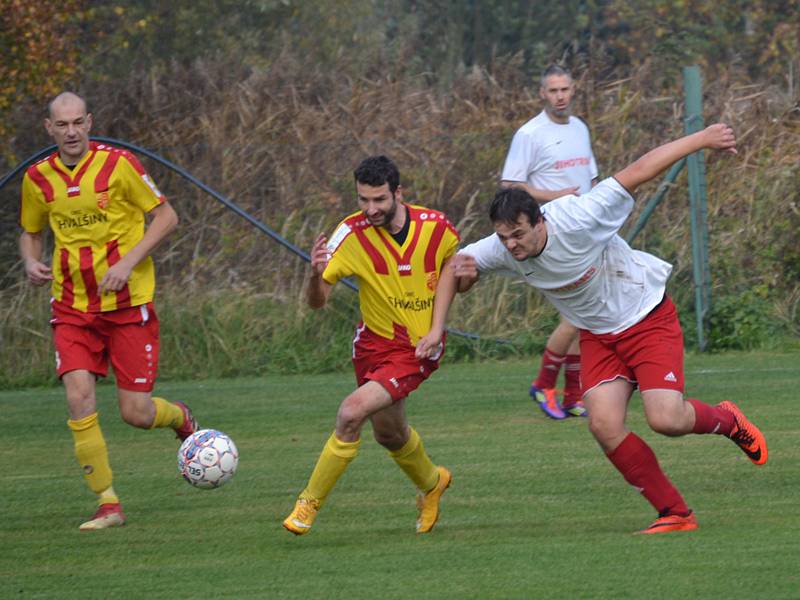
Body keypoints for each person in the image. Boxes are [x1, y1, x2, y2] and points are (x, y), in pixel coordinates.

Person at [417, 123, 769, 534]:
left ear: (540, 221)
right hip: (599, 337)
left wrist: (702, 139)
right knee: (603, 424)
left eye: (518, 234)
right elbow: (454, 269)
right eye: (503, 237)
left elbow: (639, 169)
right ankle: (675, 514)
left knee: (667, 420)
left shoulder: (579, 217)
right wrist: (438, 326)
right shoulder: (502, 247)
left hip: (646, 317)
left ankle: (728, 421)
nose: (511, 245)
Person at [19, 92, 198, 531]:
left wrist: (127, 261)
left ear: (90, 121)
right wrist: (29, 260)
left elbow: (167, 217)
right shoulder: (37, 178)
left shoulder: (120, 164)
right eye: (62, 125)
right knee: (78, 396)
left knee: (135, 414)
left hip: (127, 304)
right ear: (49, 128)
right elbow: (31, 231)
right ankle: (108, 503)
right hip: (72, 306)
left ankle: (180, 417)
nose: (72, 132)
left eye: (78, 122)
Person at [282, 155, 459, 536]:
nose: (370, 209)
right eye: (363, 199)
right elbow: (318, 301)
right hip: (371, 347)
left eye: (379, 200)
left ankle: (307, 504)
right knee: (390, 434)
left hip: (416, 349)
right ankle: (433, 484)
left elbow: (451, 270)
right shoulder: (347, 234)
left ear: (398, 193)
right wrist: (314, 275)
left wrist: (437, 328)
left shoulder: (436, 227)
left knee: (350, 413)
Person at [501, 64, 598, 420]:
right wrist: (553, 194)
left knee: (582, 316)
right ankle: (544, 383)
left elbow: (590, 181)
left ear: (574, 90)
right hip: (551, 234)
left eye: (565, 89)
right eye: (553, 90)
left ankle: (573, 395)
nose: (560, 96)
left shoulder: (580, 128)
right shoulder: (530, 134)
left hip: (584, 231)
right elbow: (510, 185)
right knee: (576, 315)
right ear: (542, 94)